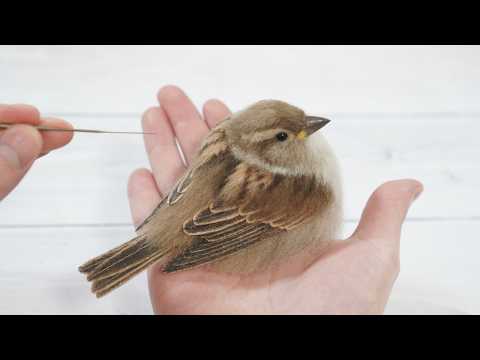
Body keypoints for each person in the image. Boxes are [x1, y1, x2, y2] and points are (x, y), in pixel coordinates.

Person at [1, 86, 423, 314]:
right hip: (216, 230)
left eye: (300, 126)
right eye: (285, 136)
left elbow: (190, 188)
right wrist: (175, 241)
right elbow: (227, 221)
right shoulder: (303, 189)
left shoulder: (221, 137)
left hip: (195, 209)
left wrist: (168, 226)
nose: (305, 131)